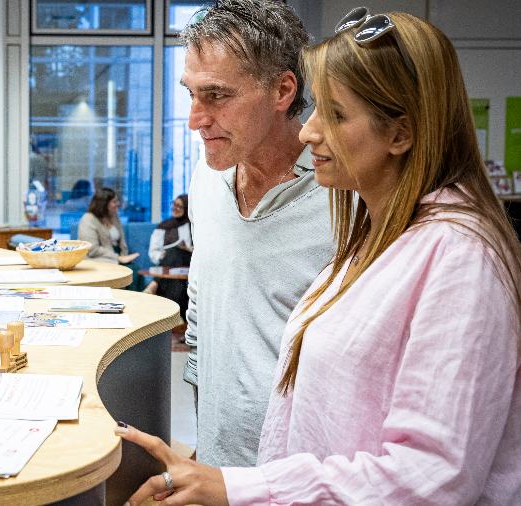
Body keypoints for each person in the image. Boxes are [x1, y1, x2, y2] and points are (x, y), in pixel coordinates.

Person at [115, 9, 521, 505]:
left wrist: (244, 486)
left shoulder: (457, 255)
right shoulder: (372, 228)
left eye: (336, 114)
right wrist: (224, 469)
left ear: (400, 134)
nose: (309, 132)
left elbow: (430, 476)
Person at [181, 0, 336, 468]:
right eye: (191, 94)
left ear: (282, 90)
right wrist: (206, 443)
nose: (195, 119)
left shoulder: (345, 196)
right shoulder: (207, 178)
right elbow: (202, 312)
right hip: (219, 467)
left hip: (301, 475)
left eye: (216, 95)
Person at [77, 187, 144, 290]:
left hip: (116, 256)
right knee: (131, 271)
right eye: (114, 201)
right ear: (103, 204)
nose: (118, 204)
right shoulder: (88, 220)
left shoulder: (113, 216)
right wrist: (118, 258)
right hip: (98, 258)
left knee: (135, 269)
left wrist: (124, 256)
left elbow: (122, 241)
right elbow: (92, 250)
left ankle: (142, 296)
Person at [143, 194, 192, 298]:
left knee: (176, 251)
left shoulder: (192, 225)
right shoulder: (163, 226)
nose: (175, 208)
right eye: (174, 205)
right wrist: (164, 257)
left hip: (189, 261)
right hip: (169, 264)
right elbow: (153, 252)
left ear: (187, 208)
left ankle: (154, 284)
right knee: (174, 259)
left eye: (180, 206)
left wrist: (187, 249)